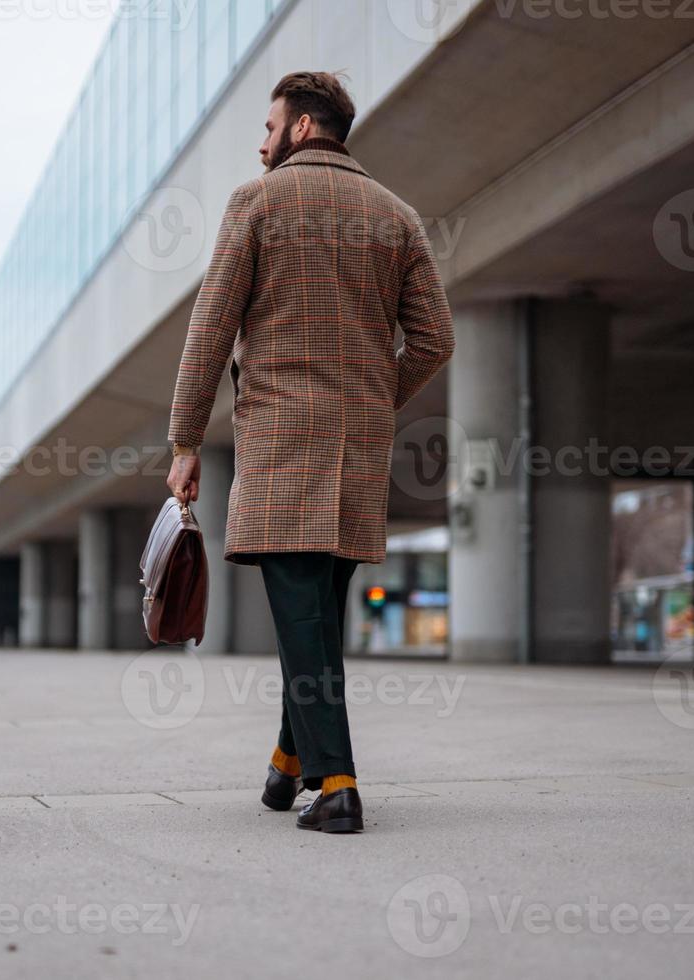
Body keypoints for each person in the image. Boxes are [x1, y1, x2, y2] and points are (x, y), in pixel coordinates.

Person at [165, 71, 454, 833]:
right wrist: (370, 399)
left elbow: (210, 330)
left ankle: (338, 786)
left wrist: (186, 439)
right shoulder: (396, 217)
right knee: (315, 617)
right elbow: (435, 338)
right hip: (356, 446)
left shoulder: (257, 203)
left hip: (281, 441)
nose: (260, 143)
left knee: (302, 619)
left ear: (300, 129)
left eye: (268, 127)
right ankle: (287, 766)